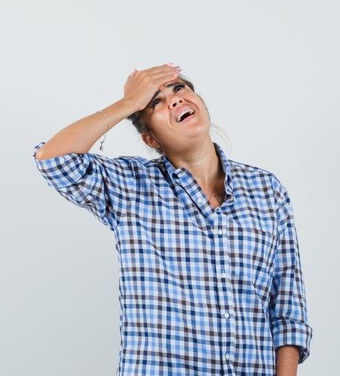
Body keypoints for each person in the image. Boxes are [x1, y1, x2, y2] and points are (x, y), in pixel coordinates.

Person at [32, 63, 313, 376]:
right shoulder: (131, 185)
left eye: (179, 88)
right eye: (155, 101)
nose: (174, 100)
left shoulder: (266, 190)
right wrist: (127, 104)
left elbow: (287, 309)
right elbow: (53, 160)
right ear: (151, 139)